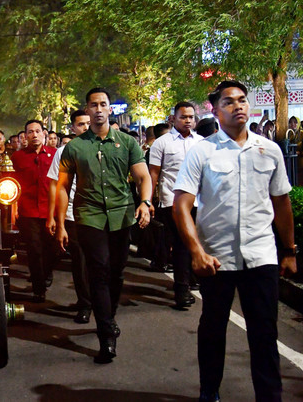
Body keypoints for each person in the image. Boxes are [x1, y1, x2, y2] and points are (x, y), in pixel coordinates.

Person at [173, 80, 297, 402]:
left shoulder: (269, 149)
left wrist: (288, 250)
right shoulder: (202, 151)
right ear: (215, 109)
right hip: (217, 258)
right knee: (213, 330)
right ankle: (209, 391)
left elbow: (281, 203)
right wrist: (196, 252)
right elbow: (182, 205)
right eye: (228, 102)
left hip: (261, 255)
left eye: (242, 100)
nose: (238, 106)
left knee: (265, 334)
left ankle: (270, 397)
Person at [56, 87, 152, 364]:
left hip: (122, 215)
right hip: (89, 215)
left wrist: (144, 202)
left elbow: (143, 176)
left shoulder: (127, 143)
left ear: (110, 109)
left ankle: (108, 316)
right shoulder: (74, 147)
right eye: (93, 105)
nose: (98, 109)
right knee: (98, 270)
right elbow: (62, 188)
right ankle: (106, 335)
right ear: (86, 110)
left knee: (116, 272)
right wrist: (61, 222)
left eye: (103, 104)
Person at [148, 101, 203, 308]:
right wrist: (149, 200)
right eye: (183, 117)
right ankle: (182, 289)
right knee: (181, 245)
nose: (187, 121)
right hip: (172, 202)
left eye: (191, 117)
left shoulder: (202, 142)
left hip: (199, 201)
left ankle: (190, 280)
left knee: (194, 243)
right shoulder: (162, 143)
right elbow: (153, 173)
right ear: (173, 118)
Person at [46, 109, 91, 322]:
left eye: (88, 123)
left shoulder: (105, 148)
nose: (85, 128)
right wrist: (55, 219)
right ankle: (85, 303)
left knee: (102, 263)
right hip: (74, 215)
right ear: (72, 128)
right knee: (80, 262)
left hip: (102, 215)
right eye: (81, 124)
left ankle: (101, 303)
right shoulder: (63, 152)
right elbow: (56, 186)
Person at [12, 120, 57, 302]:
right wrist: (14, 207)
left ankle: (46, 273)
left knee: (51, 249)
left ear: (44, 134)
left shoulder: (55, 155)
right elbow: (12, 184)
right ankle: (38, 288)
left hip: (50, 210)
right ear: (25, 136)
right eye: (30, 132)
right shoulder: (17, 157)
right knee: (34, 249)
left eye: (38, 131)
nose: (35, 135)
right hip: (28, 210)